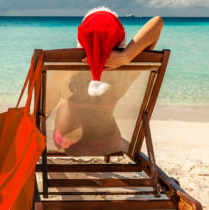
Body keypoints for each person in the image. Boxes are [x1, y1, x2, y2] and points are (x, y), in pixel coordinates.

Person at [50, 8, 164, 156]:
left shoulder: (64, 70)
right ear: (120, 42)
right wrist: (126, 56)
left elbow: (42, 113)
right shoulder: (129, 68)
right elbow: (157, 22)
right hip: (109, 143)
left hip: (68, 144)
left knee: (65, 104)